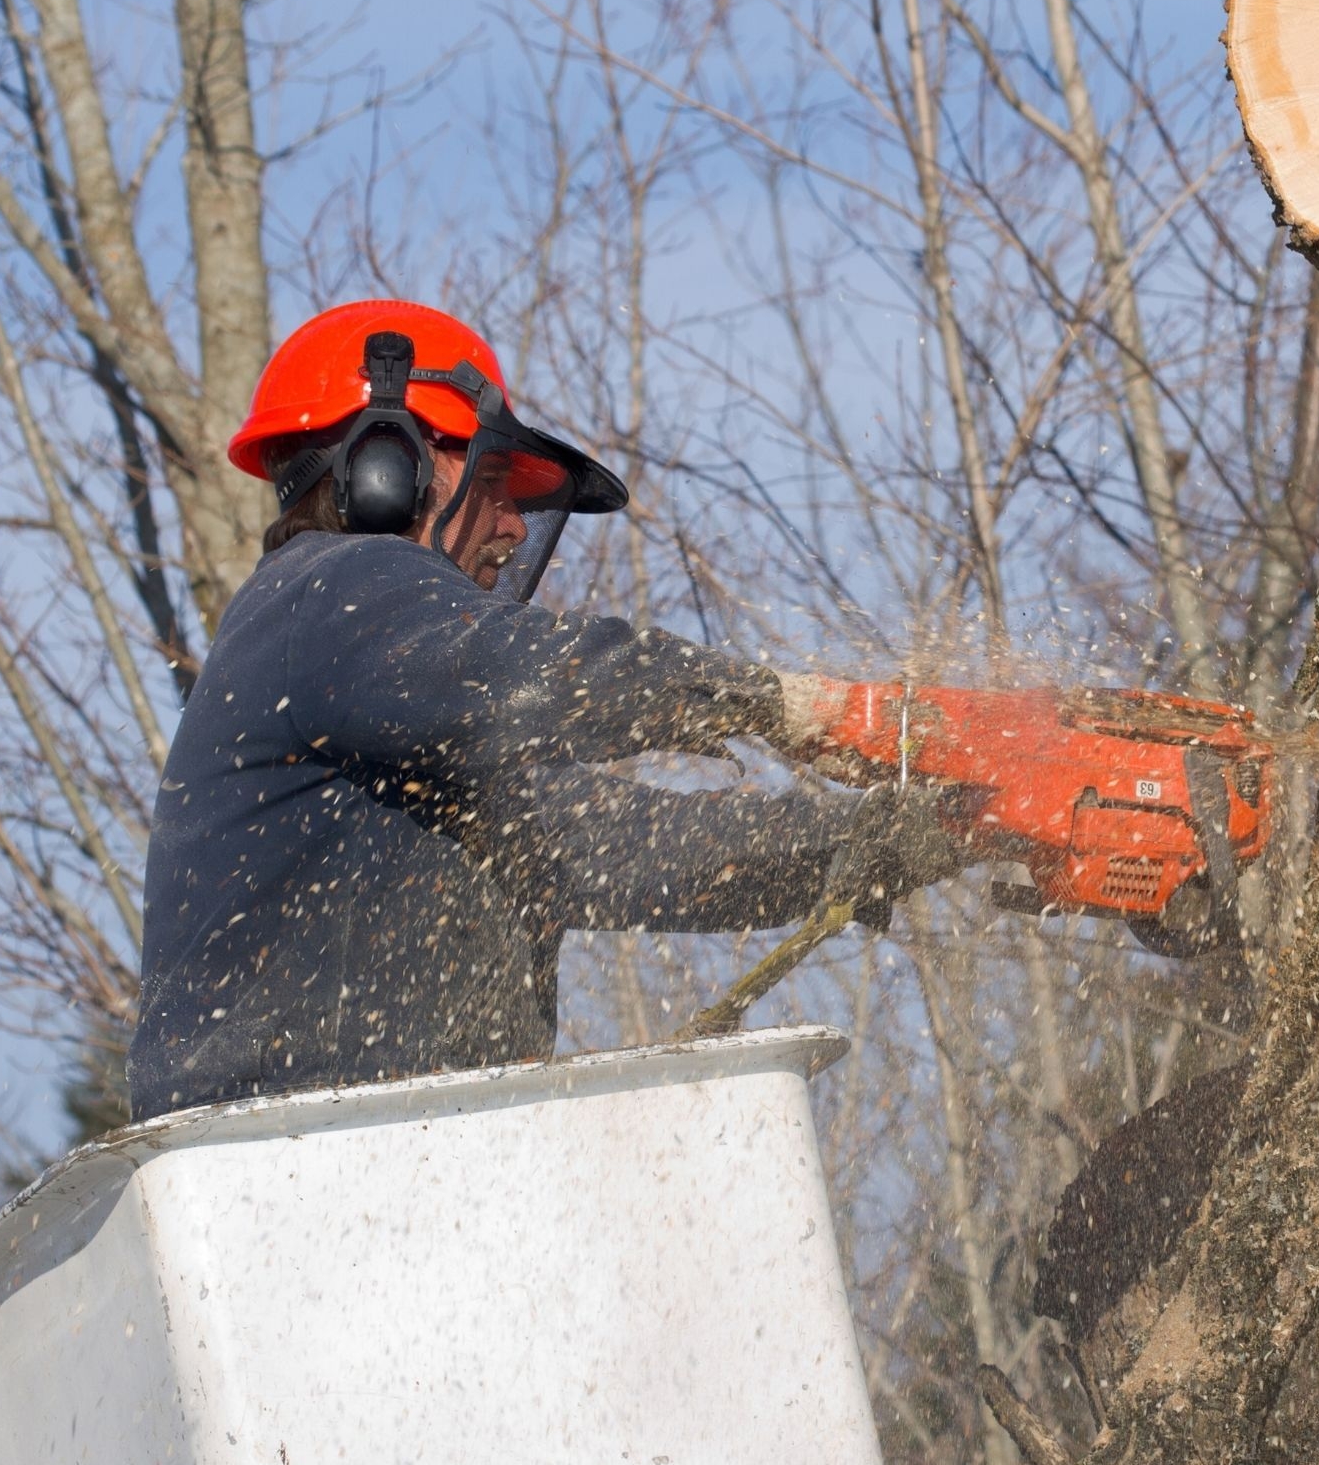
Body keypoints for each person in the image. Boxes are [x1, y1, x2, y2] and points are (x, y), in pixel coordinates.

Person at [126, 299, 961, 1118]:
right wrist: (780, 705)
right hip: (291, 1166)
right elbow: (541, 677)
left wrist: (902, 833)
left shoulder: (401, 726)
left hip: (380, 1170)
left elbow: (635, 849)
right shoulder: (336, 589)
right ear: (387, 468)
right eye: (493, 484)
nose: (514, 529)